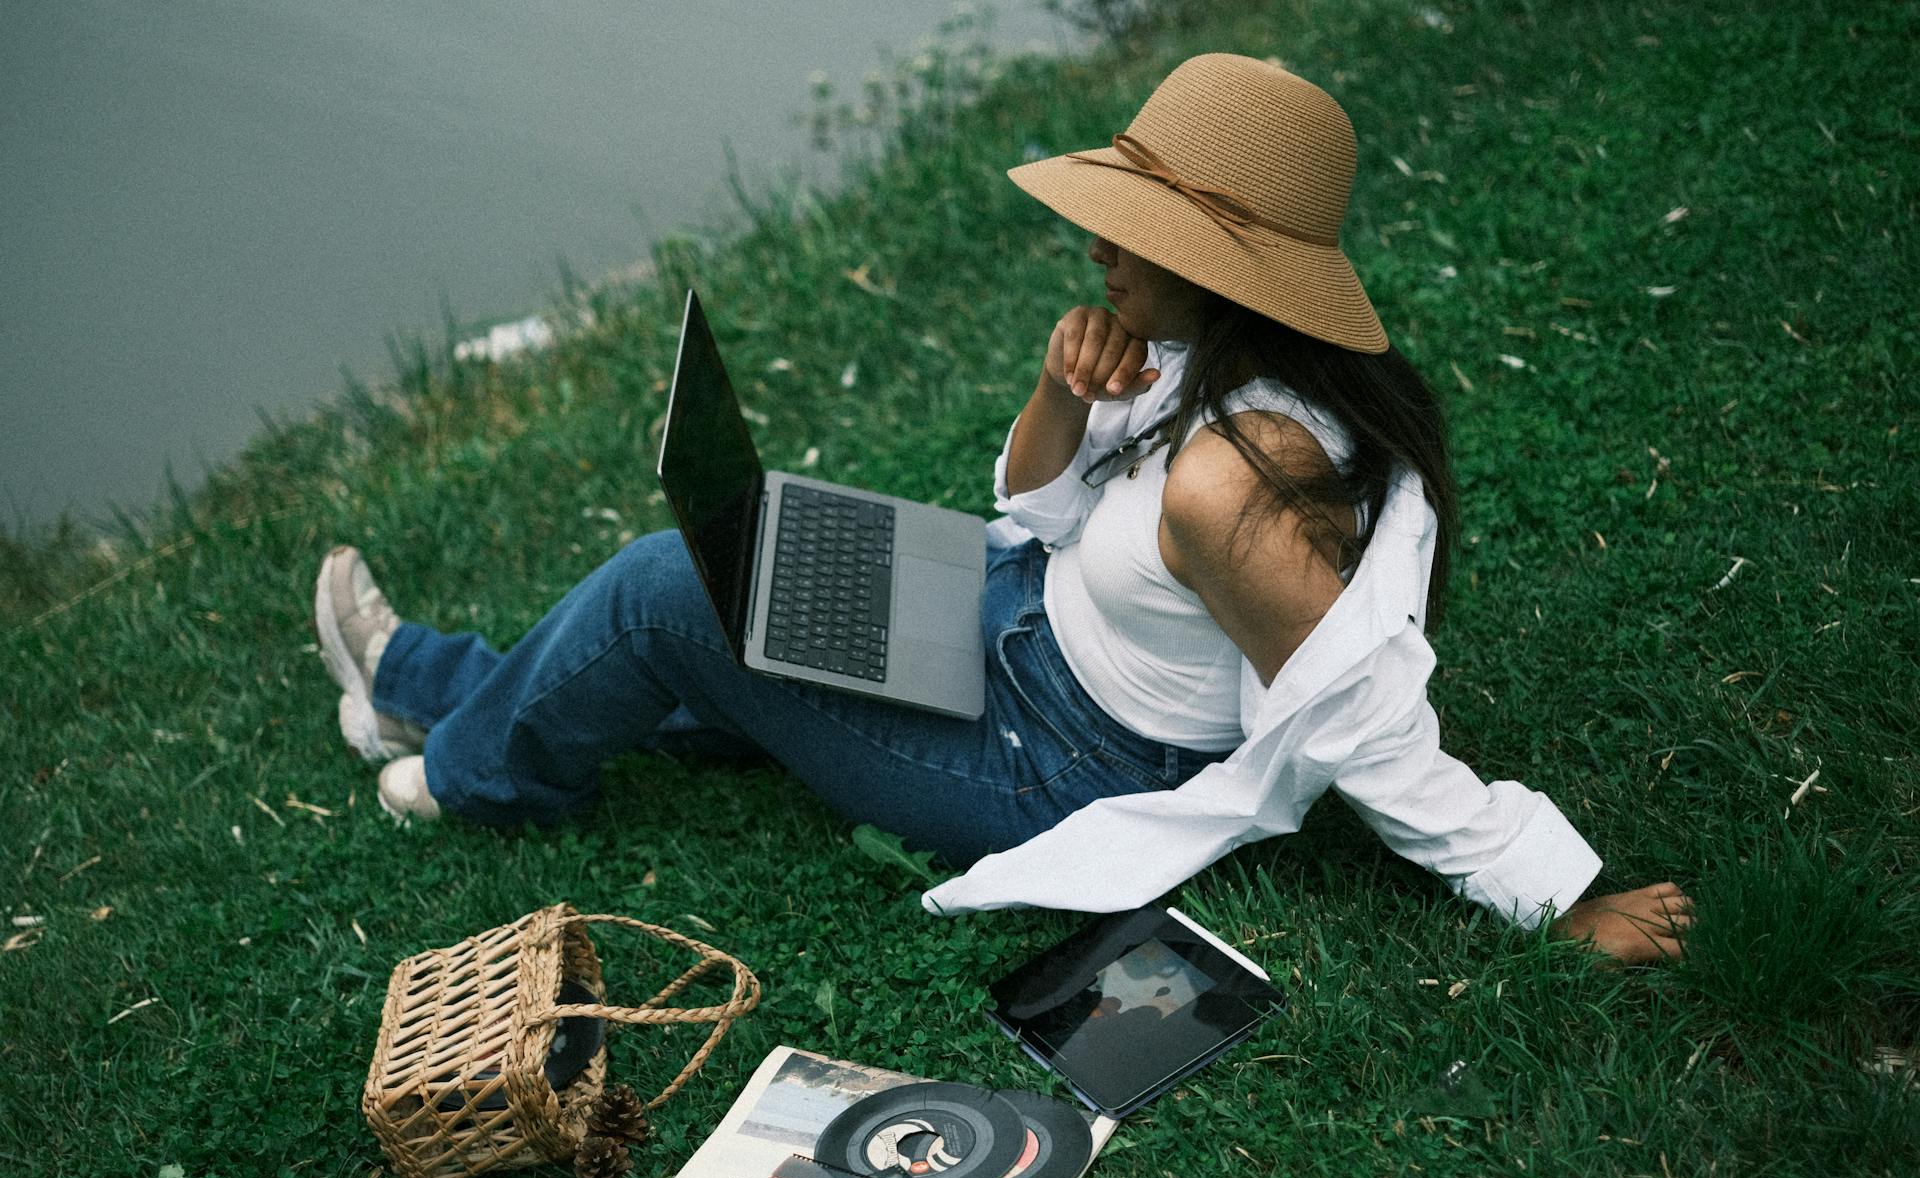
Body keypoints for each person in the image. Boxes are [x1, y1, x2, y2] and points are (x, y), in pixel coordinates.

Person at [313, 54, 1690, 962]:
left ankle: (468, 754)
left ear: (1225, 265)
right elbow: (1031, 505)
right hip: (1009, 615)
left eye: (1135, 231)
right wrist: (1064, 390)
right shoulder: (1213, 368)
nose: (1098, 245)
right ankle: (431, 689)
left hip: (1049, 758)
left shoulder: (1242, 479)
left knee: (662, 594)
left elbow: (1362, 714)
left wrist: (1558, 900)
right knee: (731, 581)